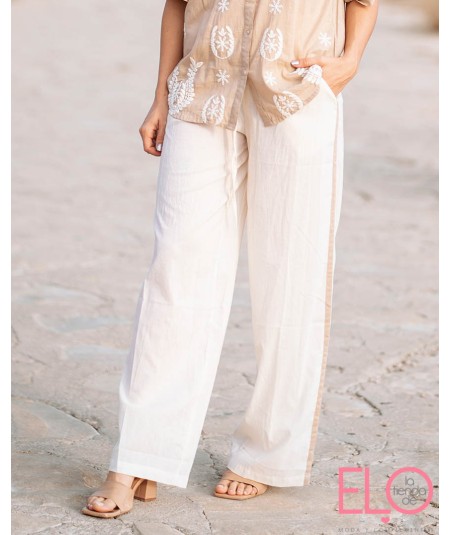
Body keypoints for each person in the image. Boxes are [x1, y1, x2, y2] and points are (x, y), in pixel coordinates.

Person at [82, 0, 378, 518]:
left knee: (291, 275)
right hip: (202, 90)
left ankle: (266, 454)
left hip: (297, 92)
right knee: (175, 271)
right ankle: (139, 456)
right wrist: (160, 96)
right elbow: (177, 4)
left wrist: (350, 61)